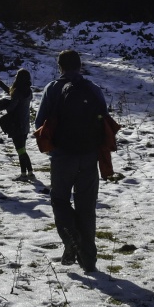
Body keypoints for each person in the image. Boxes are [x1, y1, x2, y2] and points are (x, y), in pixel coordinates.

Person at [34, 49, 108, 274]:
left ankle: (70, 236)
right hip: (89, 156)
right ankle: (89, 261)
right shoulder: (93, 89)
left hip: (63, 156)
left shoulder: (53, 89)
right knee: (86, 207)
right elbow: (103, 120)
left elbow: (40, 123)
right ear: (80, 66)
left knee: (59, 200)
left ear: (60, 67)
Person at [0, 68, 36, 181]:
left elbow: (11, 107)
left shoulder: (17, 92)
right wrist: (0, 84)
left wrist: (5, 104)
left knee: (20, 150)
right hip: (25, 124)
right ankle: (30, 173)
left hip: (16, 124)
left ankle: (24, 175)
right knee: (22, 149)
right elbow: (12, 93)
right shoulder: (28, 91)